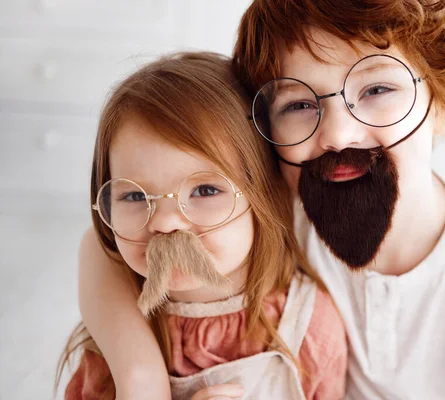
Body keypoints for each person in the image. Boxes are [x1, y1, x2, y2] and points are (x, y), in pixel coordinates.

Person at [75, 1, 445, 399]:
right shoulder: (278, 215)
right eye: (299, 104)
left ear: (439, 101)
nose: (337, 134)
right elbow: (109, 243)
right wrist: (140, 376)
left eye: (377, 88)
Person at [56, 51, 347, 400]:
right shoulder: (117, 328)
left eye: (206, 190)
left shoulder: (310, 327)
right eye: (134, 198)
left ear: (263, 197)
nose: (164, 222)